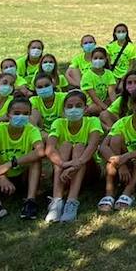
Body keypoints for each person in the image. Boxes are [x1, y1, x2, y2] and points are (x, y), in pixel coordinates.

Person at [0, 96, 45, 223]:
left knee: (36, 159)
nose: (21, 116)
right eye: (16, 113)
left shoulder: (32, 130)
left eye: (26, 114)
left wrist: (11, 164)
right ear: (8, 115)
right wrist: (2, 177)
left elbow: (40, 151)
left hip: (22, 174)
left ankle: (30, 201)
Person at [43, 90, 104, 223]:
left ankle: (72, 201)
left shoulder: (93, 121)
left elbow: (93, 146)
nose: (74, 109)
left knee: (80, 146)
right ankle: (57, 202)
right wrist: (64, 164)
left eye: (78, 105)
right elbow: (50, 149)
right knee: (65, 145)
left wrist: (76, 164)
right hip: (63, 170)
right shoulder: (58, 123)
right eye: (69, 107)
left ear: (85, 108)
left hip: (88, 170)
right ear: (64, 110)